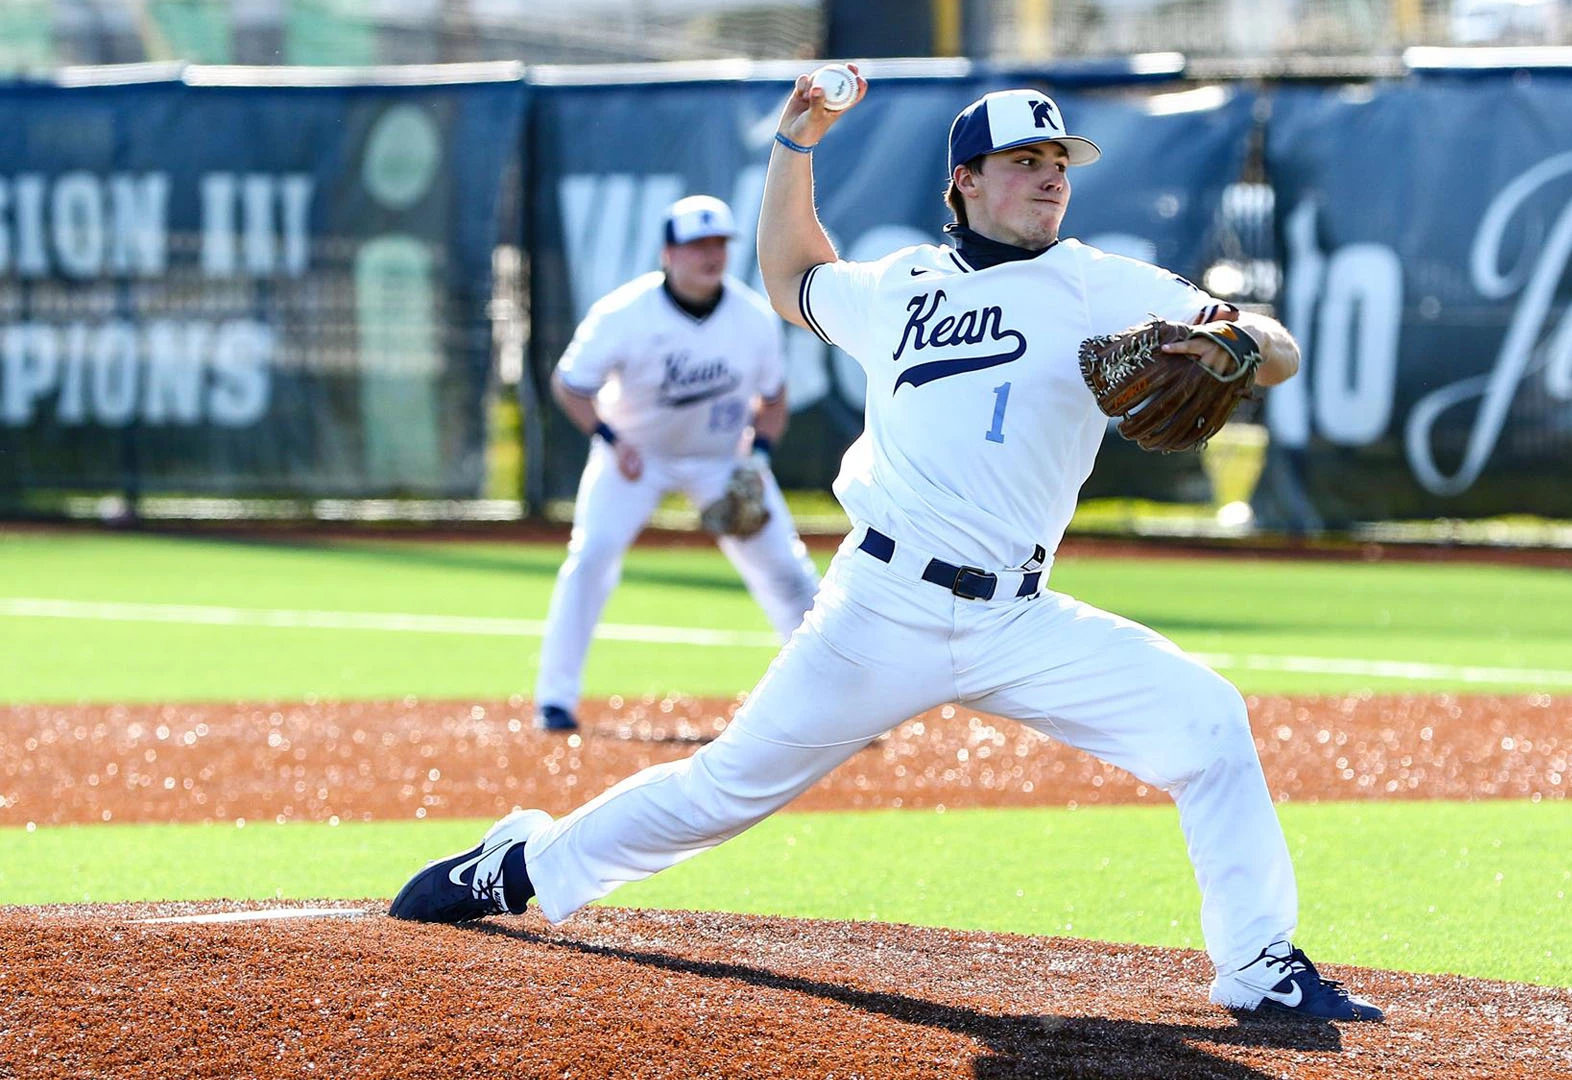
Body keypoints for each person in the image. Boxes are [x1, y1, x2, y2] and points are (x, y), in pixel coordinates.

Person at [392, 73, 1382, 1023]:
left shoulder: (1101, 284)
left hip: (1018, 618)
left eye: (1059, 163)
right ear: (965, 180)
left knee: (1208, 722)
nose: (1051, 178)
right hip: (879, 609)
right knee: (722, 791)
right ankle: (520, 865)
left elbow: (1272, 342)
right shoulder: (900, 285)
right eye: (1024, 160)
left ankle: (1258, 965)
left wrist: (1239, 344)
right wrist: (794, 146)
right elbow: (789, 277)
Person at [532, 195, 820, 731]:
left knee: (787, 571)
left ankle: (831, 700)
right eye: (695, 245)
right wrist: (609, 437)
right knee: (591, 558)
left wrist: (757, 459)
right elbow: (570, 385)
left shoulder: (752, 318)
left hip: (721, 460)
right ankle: (555, 699)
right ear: (668, 253)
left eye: (718, 244)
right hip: (636, 457)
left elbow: (773, 400)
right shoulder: (624, 313)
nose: (710, 255)